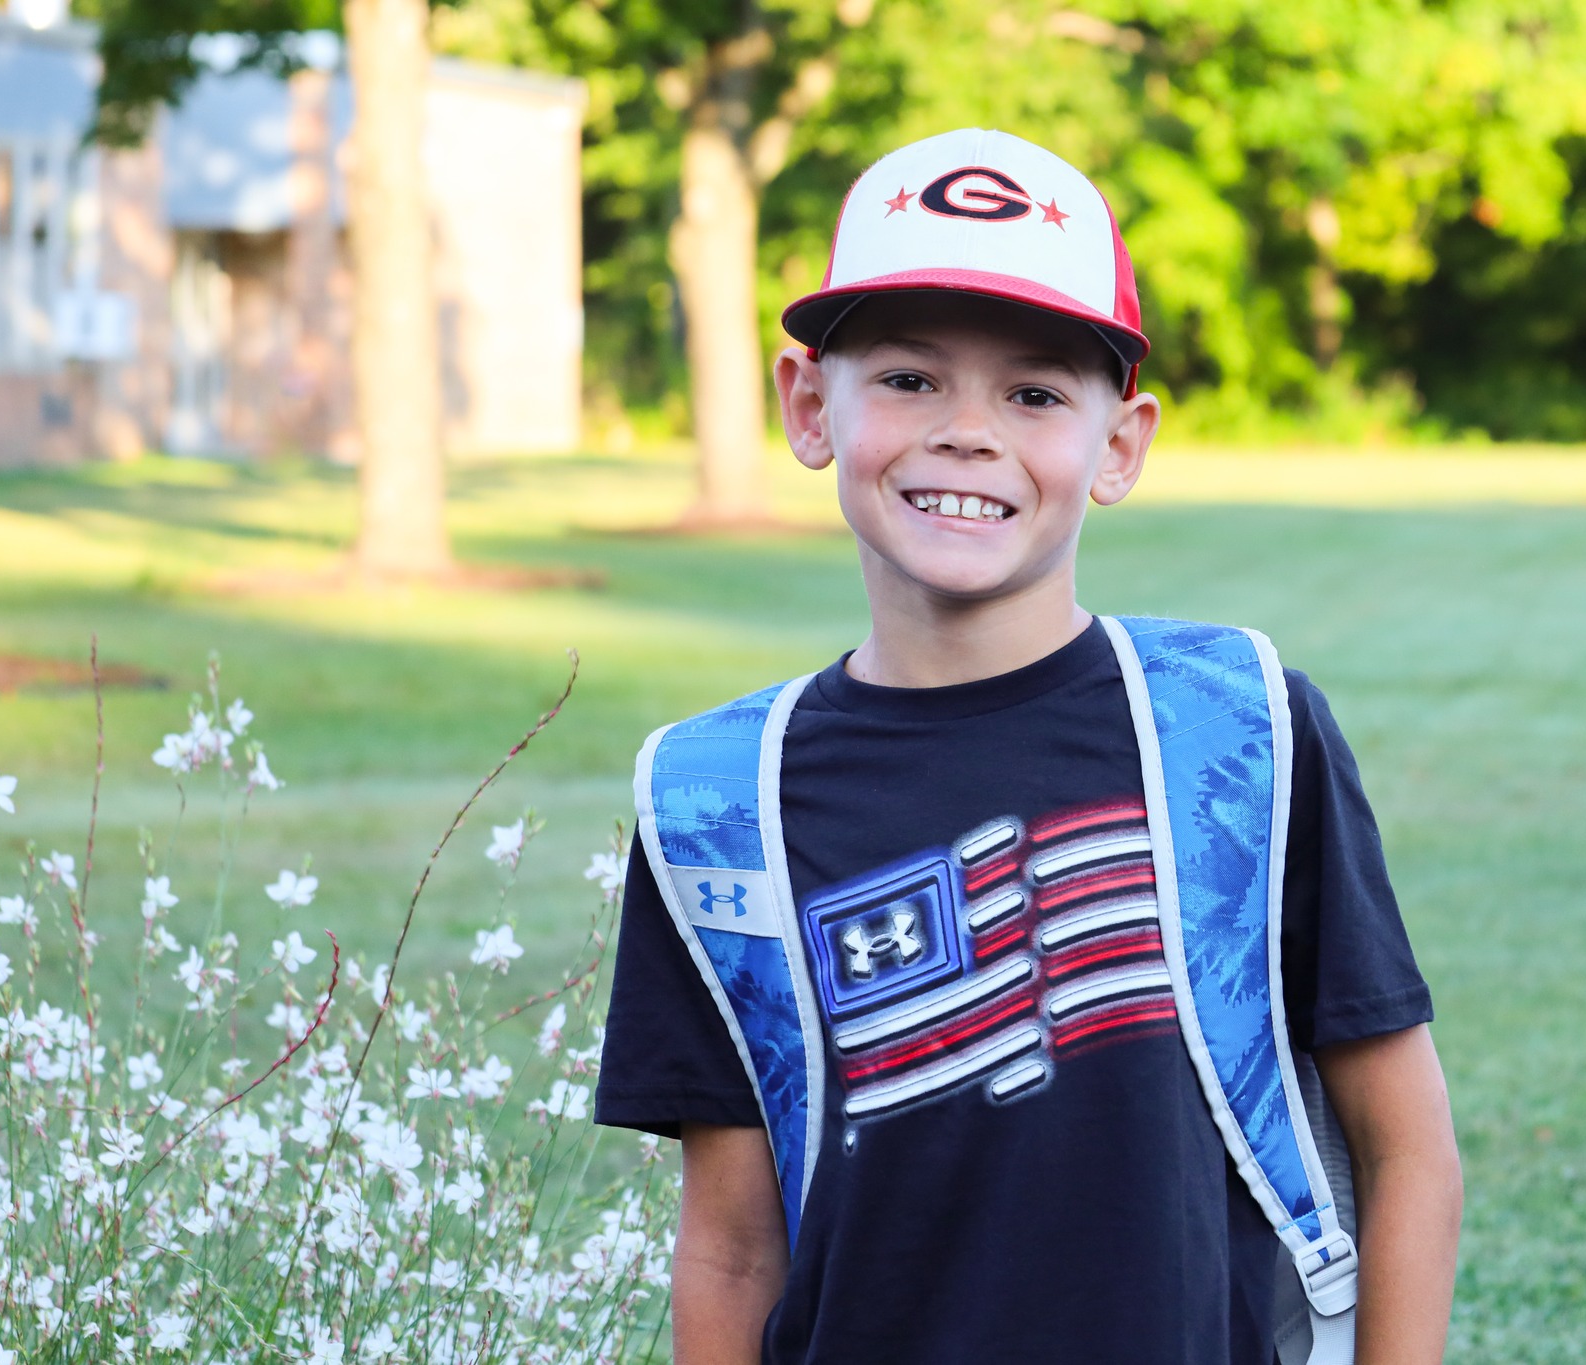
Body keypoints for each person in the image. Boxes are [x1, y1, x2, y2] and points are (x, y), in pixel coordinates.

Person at [595, 128, 1462, 1365]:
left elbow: (1405, 1149)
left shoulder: (1232, 726)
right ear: (807, 404)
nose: (967, 430)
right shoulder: (713, 800)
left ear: (1118, 445)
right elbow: (731, 1248)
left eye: (1036, 392)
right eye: (905, 377)